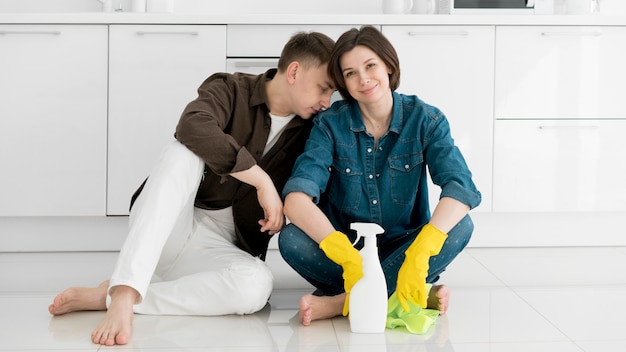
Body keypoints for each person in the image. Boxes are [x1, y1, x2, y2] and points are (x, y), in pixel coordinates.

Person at [47, 31, 336, 345]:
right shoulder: (230, 88)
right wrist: (261, 179)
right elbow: (192, 125)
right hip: (170, 227)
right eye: (323, 88)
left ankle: (113, 296)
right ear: (293, 71)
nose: (326, 102)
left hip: (220, 252)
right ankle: (124, 291)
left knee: (256, 288)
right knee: (182, 151)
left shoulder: (313, 130)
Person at [278, 25, 481, 326]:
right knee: (291, 239)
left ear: (388, 64)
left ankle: (341, 303)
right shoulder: (329, 125)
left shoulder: (426, 119)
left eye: (370, 66)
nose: (363, 79)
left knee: (461, 225)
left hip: (404, 247)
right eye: (350, 73)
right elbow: (296, 200)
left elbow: (460, 188)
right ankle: (406, 293)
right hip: (350, 250)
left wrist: (421, 251)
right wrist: (344, 253)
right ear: (344, 83)